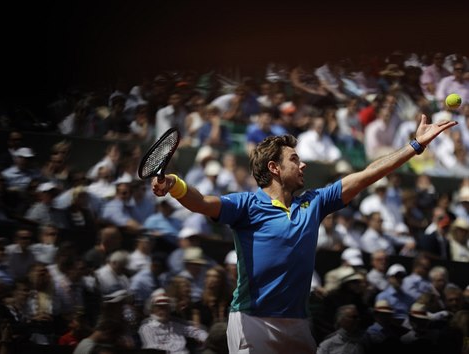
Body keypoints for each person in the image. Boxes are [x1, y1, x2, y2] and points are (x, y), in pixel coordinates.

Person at [150, 114, 456, 353]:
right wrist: (174, 184)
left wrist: (415, 146)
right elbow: (202, 203)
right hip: (252, 321)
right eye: (295, 159)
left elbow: (367, 175)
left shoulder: (315, 202)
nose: (303, 163)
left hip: (297, 322)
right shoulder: (245, 205)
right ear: (274, 167)